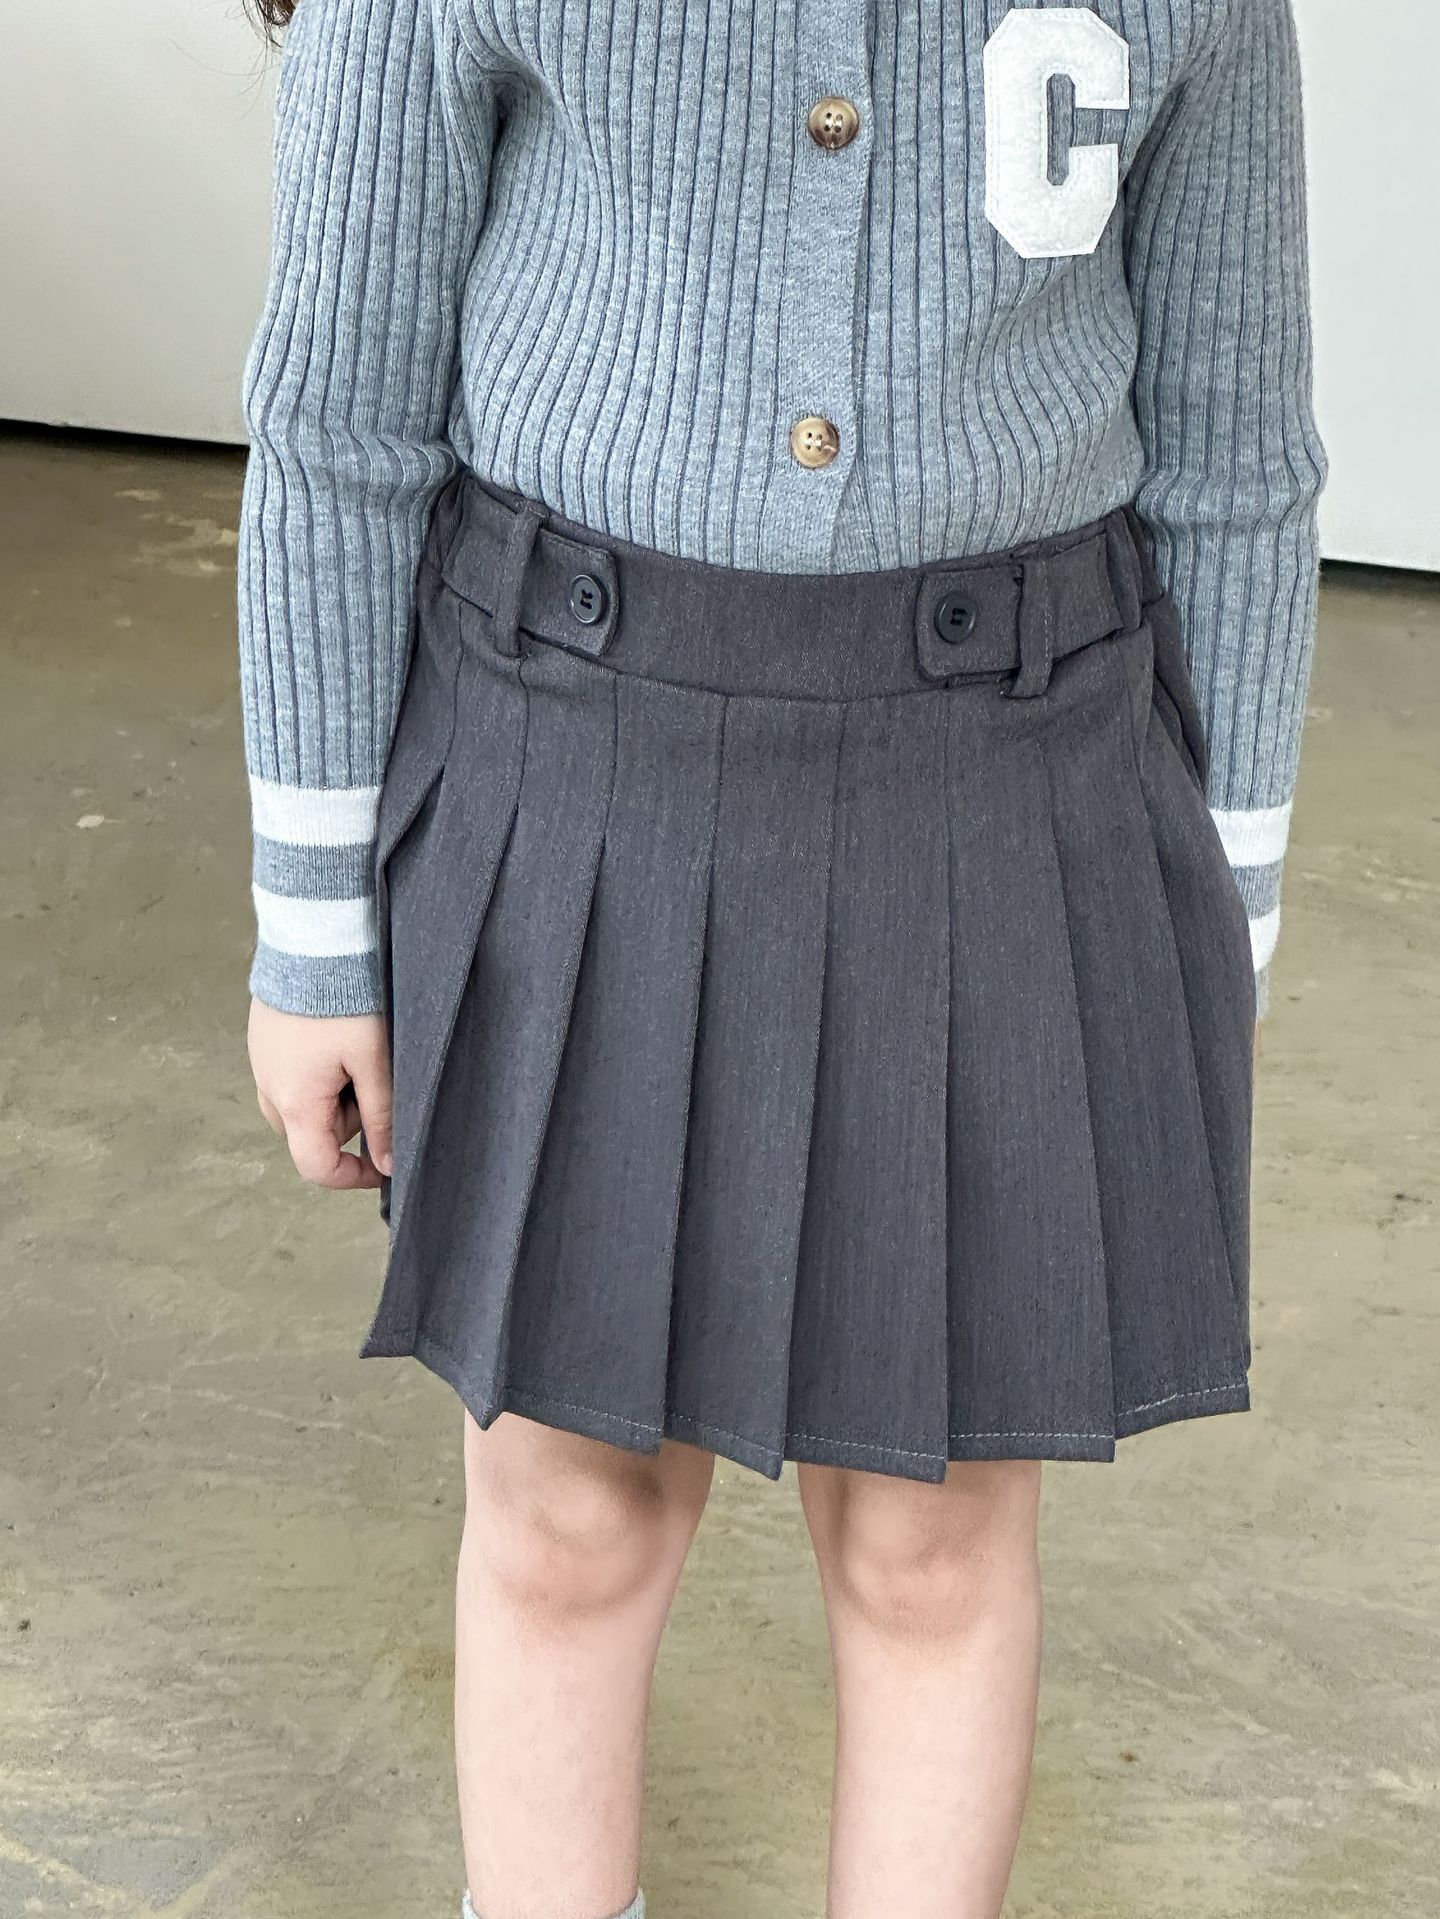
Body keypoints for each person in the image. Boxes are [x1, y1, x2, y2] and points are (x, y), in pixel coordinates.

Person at [237, 3, 1325, 1915]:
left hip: (1005, 778)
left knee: (932, 1539)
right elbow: (339, 415)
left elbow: (1240, 460)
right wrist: (313, 922)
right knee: (570, 1514)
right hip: (579, 753)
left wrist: (1216, 928)